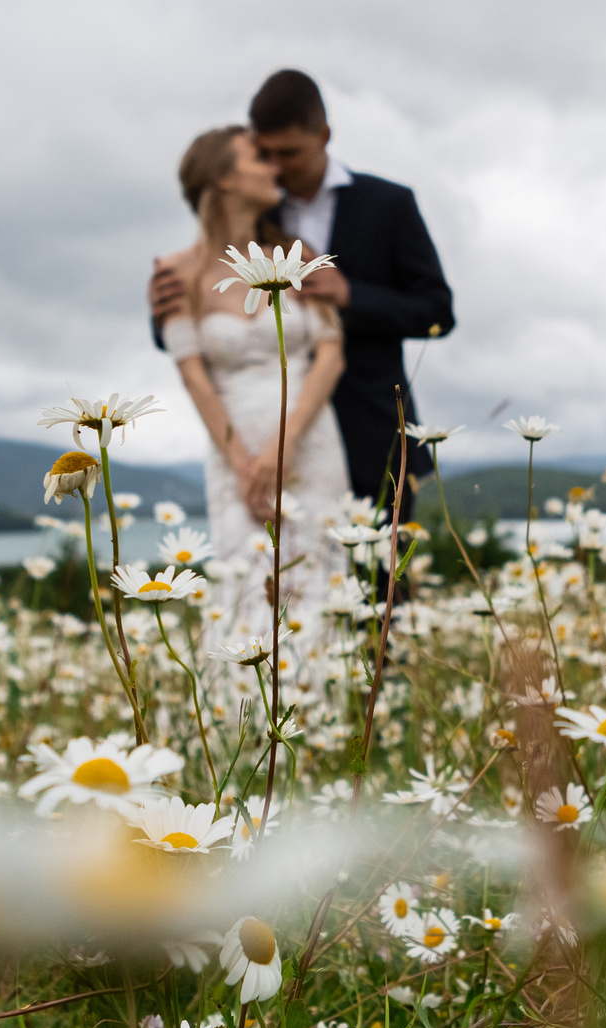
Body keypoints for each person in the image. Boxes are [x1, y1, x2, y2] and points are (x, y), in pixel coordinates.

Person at [151, 70, 454, 521]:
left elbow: (437, 311)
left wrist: (352, 294)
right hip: (261, 428)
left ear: (324, 136)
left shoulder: (388, 204)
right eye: (264, 153)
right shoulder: (256, 206)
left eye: (288, 153)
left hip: (369, 424)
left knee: (388, 581)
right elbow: (209, 309)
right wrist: (163, 314)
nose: (275, 166)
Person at [155, 125, 352, 640]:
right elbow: (191, 373)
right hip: (233, 454)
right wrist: (246, 464)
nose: (273, 167)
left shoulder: (299, 254)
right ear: (222, 178)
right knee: (245, 596)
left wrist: (282, 450)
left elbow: (331, 354)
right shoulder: (175, 273)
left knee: (318, 589)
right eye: (257, 158)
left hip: (312, 444)